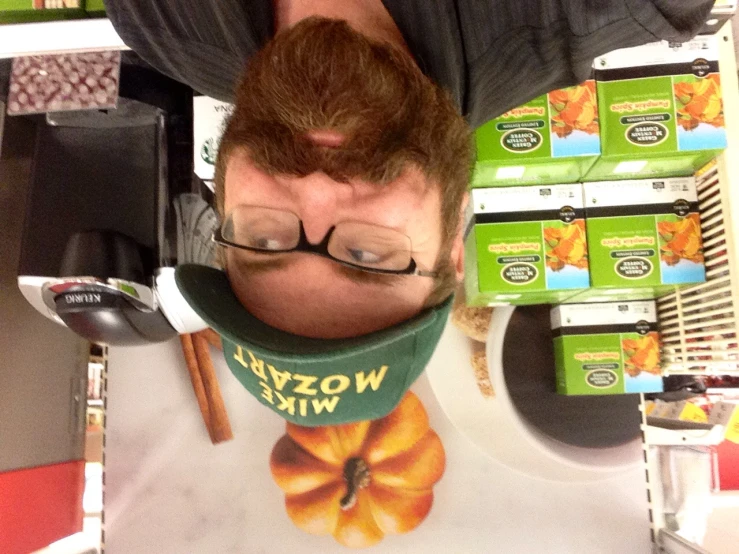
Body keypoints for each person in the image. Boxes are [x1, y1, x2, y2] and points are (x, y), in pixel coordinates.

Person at [105, 0, 714, 426]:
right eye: (367, 255)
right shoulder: (594, 8)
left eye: (263, 242)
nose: (314, 189)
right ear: (454, 235)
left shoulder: (156, 20)